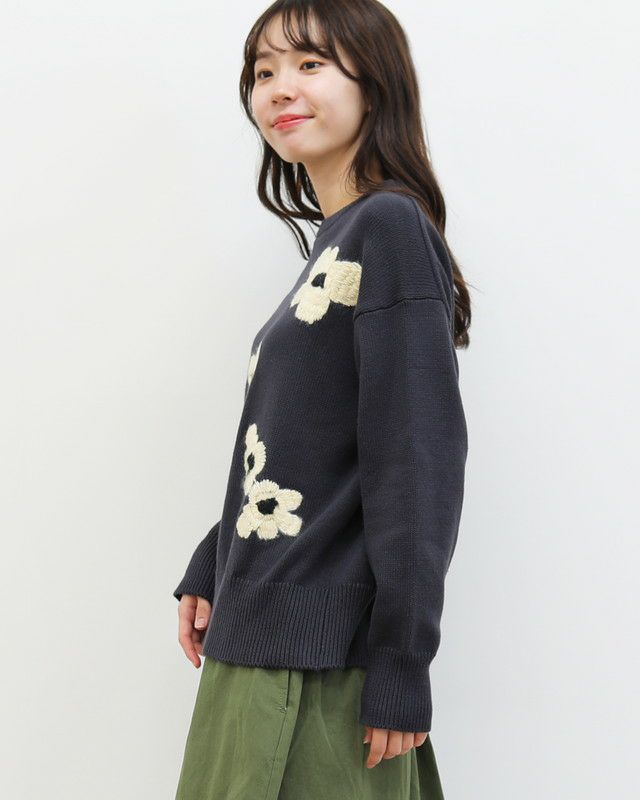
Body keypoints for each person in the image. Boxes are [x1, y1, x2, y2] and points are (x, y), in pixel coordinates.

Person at [172, 1, 472, 797]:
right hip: (258, 646)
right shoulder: (335, 245)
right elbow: (303, 444)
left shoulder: (390, 228)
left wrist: (402, 661)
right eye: (263, 71)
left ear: (375, 82)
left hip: (318, 670)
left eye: (310, 64)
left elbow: (416, 458)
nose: (279, 87)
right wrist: (217, 559)